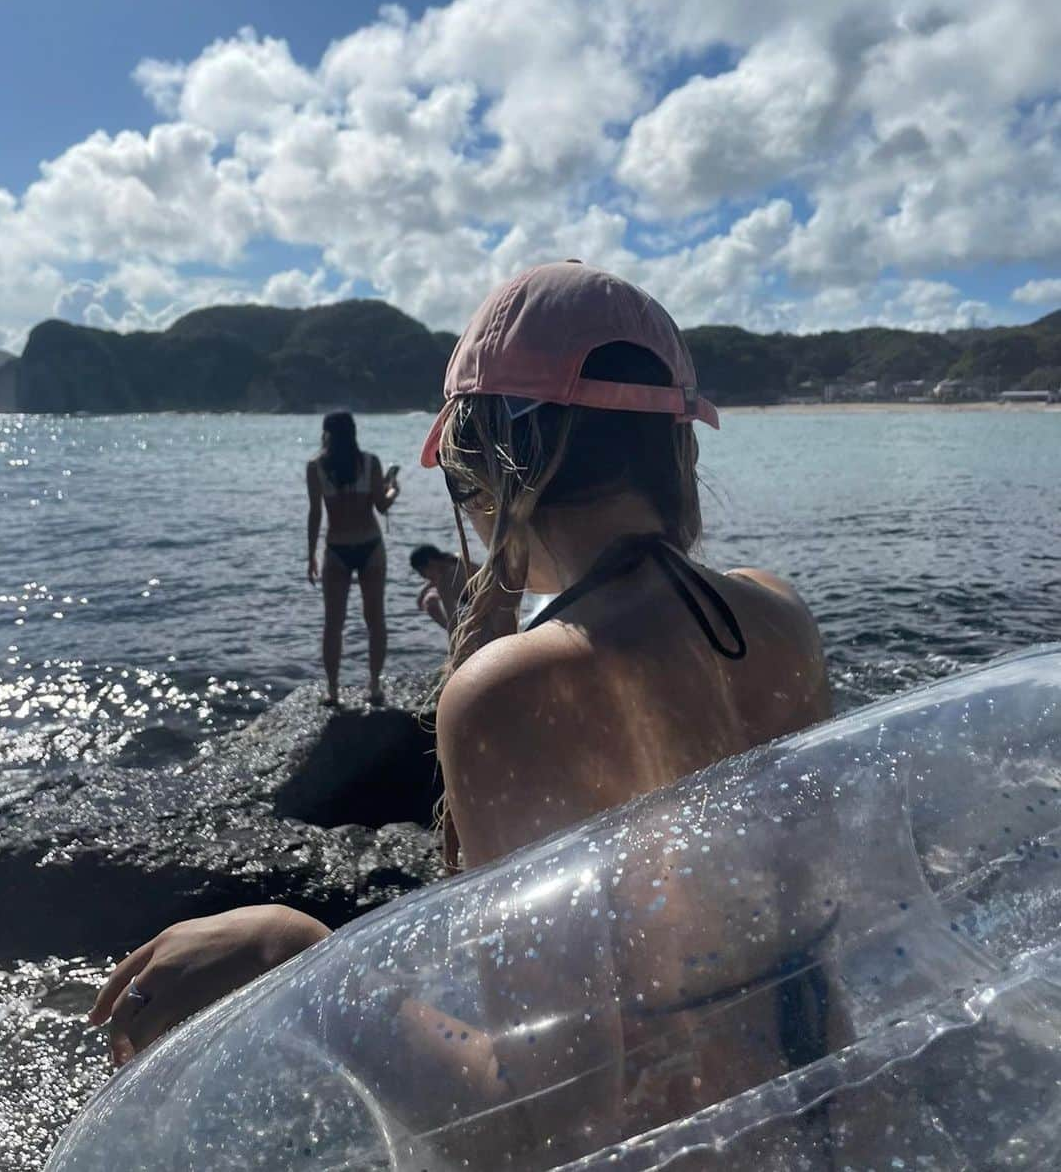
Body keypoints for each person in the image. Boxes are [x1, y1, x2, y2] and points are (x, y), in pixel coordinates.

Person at [91, 263, 831, 1118]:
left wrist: (292, 957)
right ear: (681, 449)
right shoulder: (779, 613)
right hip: (824, 1121)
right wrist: (486, 640)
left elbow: (545, 1118)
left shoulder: (516, 692)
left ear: (481, 469)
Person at [305, 412, 398, 707]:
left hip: (336, 549)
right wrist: (393, 487)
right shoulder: (369, 462)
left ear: (326, 434)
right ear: (354, 432)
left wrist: (310, 556)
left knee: (333, 623)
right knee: (375, 620)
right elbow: (381, 506)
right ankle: (373, 686)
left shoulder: (316, 467)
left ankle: (333, 691)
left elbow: (315, 514)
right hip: (370, 546)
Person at [410, 543, 469, 633]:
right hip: (479, 597)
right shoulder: (456, 559)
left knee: (430, 602)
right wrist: (424, 590)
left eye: (422, 572)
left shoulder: (444, 583)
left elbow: (452, 618)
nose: (423, 577)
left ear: (431, 563)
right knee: (429, 600)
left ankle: (462, 633)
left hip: (476, 604)